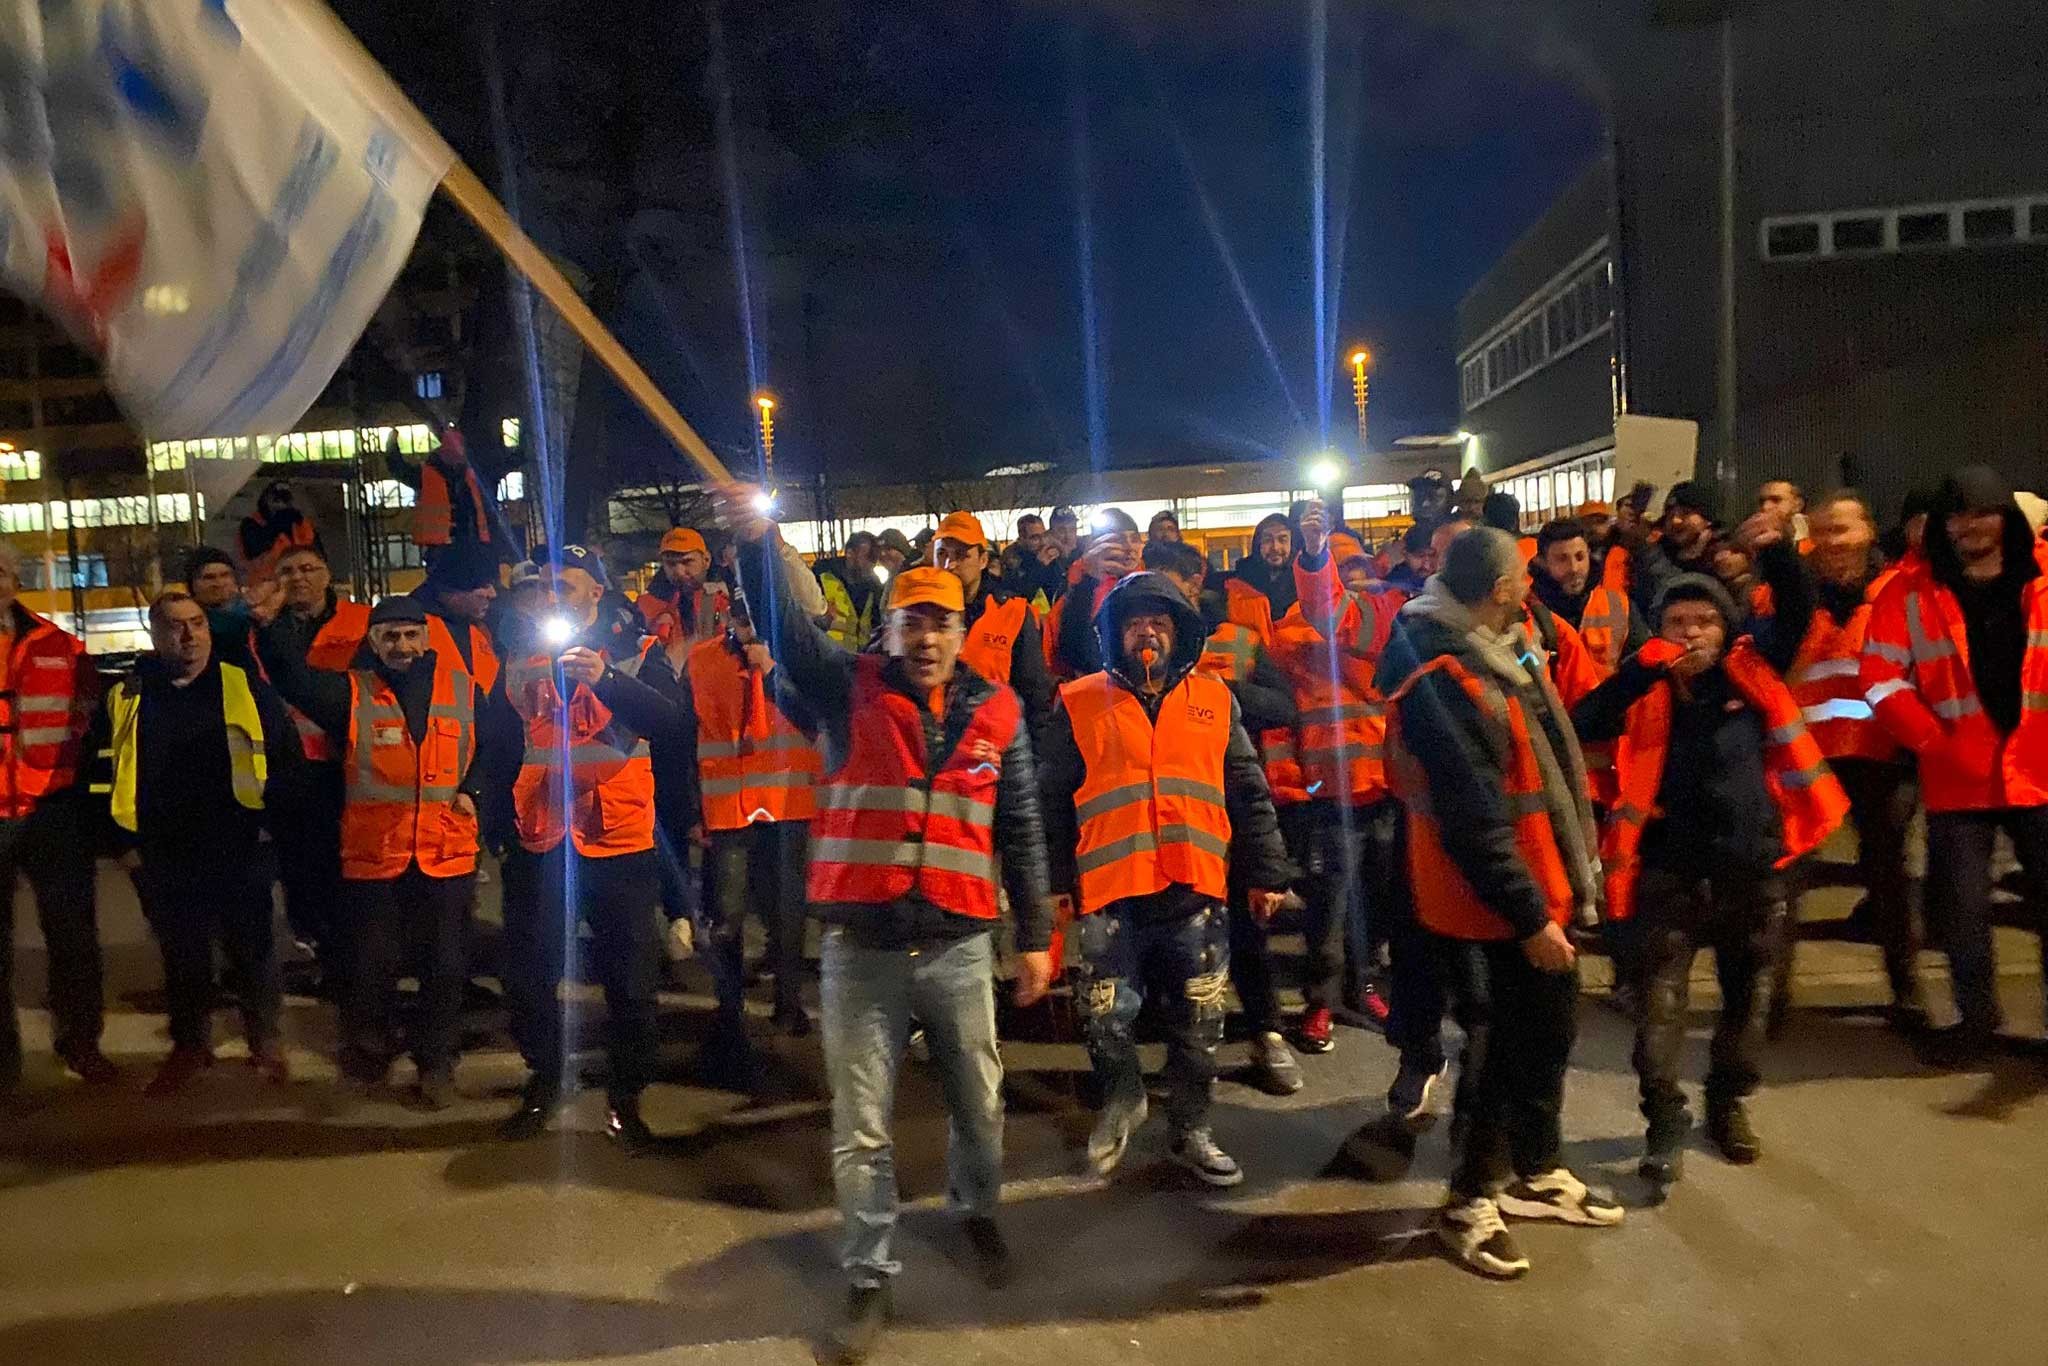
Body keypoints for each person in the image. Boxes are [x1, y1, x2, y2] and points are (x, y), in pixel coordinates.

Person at [721, 486, 1054, 1362]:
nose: (928, 638)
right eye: (912, 621)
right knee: (861, 1124)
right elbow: (792, 634)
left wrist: (1038, 935)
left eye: (941, 622)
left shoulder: (1000, 712)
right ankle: (869, 1274)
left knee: (980, 1108)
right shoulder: (845, 688)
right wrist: (763, 545)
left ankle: (973, 1210)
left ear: (961, 625)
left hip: (959, 944)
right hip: (861, 948)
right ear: (891, 627)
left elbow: (1019, 826)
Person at [1378, 528, 1621, 1280]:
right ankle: (1469, 1200)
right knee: (1495, 1046)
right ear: (1498, 587)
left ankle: (1535, 1168)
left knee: (1546, 1029)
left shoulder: (1506, 644)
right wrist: (1530, 918)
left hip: (1531, 884)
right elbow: (1475, 816)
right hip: (1480, 901)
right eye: (1521, 574)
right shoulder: (1442, 677)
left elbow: (1551, 749)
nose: (1531, 583)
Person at [1573, 541, 1842, 1189]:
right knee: (1658, 1009)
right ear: (1658, 631)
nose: (1691, 633)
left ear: (1728, 631)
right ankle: (1664, 1116)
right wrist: (1639, 670)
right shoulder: (1644, 686)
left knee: (1746, 1001)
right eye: (1677, 622)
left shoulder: (1752, 675)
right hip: (1670, 876)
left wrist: (1776, 548)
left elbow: (1802, 610)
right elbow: (1584, 720)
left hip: (1753, 873)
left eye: (1705, 621)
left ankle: (1728, 1103)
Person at [1040, 570, 1292, 1187]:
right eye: (1133, 623)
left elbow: (1248, 789)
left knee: (1200, 1023)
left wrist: (1267, 870)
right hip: (1109, 893)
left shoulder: (1214, 699)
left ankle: (1192, 1129)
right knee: (1104, 1016)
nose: (1146, 632)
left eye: (1159, 622)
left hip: (1195, 890)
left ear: (1179, 633)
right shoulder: (1078, 701)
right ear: (1113, 635)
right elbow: (1047, 801)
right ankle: (1123, 1097)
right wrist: (1050, 883)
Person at [257, 596, 491, 1109]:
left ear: (427, 638)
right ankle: (368, 1054)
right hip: (376, 855)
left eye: (410, 635)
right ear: (373, 642)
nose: (402, 646)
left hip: (444, 851)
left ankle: (435, 1064)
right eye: (390, 637)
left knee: (444, 967)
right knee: (369, 966)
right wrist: (270, 625)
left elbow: (497, 746)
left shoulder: (464, 690)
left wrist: (476, 791)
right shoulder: (350, 692)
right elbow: (291, 679)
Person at [491, 545, 685, 1148]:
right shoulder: (521, 659)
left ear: (596, 594)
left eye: (567, 588)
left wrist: (608, 680)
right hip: (543, 840)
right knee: (529, 974)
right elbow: (500, 745)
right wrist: (495, 821)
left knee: (630, 981)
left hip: (618, 842)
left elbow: (672, 726)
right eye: (545, 588)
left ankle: (626, 1096)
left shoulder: (638, 652)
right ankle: (545, 1079)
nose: (553, 599)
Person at [1862, 466, 2048, 1064]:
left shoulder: (2043, 579)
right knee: (1961, 912)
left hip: (2041, 771)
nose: (1970, 525)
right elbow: (1880, 678)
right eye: (1958, 515)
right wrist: (1932, 741)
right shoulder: (1906, 592)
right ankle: (1976, 1021)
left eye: (1983, 512)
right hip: (1957, 775)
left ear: (2006, 518)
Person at [88, 590, 300, 1096]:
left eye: (198, 624)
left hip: (240, 844)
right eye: (176, 626)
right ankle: (190, 1047)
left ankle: (264, 1042)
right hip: (163, 852)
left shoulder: (240, 684)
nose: (189, 636)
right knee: (183, 957)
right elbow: (99, 772)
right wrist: (120, 843)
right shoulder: (128, 694)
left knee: (253, 951)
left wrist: (274, 829)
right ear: (154, 634)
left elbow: (286, 757)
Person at [1138, 539, 1304, 1094]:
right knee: (1170, 942)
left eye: (1169, 582)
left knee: (1248, 929)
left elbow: (1284, 706)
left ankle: (1267, 1033)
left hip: (1229, 800)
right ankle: (1180, 1053)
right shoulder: (1136, 649)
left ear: (1194, 581)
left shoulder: (1238, 639)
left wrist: (1220, 694)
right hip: (1169, 818)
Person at [1268, 503, 1404, 1052]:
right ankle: (1320, 1002)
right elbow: (1283, 717)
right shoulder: (1290, 634)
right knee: (1328, 905)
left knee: (1376, 899)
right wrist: (1297, 787)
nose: (1351, 585)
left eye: (1356, 573)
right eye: (1338, 574)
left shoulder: (1385, 623)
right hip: (1328, 796)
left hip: (1385, 791)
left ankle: (1362, 986)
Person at [1787, 492, 1920, 1026]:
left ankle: (1906, 990)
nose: (1834, 542)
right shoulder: (1789, 598)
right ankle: (1768, 1000)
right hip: (1808, 758)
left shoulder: (1899, 593)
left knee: (1888, 878)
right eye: (1824, 532)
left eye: (1843, 530)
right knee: (1787, 880)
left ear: (1868, 531)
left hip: (1881, 759)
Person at [684, 597, 821, 1064]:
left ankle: (788, 1004)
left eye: (754, 616)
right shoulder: (701, 661)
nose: (746, 626)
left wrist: (775, 671)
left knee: (787, 913)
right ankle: (730, 1012)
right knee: (727, 915)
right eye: (740, 617)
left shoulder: (800, 663)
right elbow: (684, 735)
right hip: (729, 807)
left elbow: (822, 718)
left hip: (787, 804)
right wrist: (690, 811)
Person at [0, 541, 112, 1091]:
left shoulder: (63, 647)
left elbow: (90, 727)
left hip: (52, 809)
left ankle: (82, 1041)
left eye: (0, 570)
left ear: (15, 579)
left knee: (73, 936)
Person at [253, 543, 369, 983]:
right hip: (285, 767)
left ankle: (348, 962)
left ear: (327, 575)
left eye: (309, 568)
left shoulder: (359, 621)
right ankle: (323, 951)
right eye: (288, 570)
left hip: (344, 764)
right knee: (299, 871)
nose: (299, 577)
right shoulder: (262, 625)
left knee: (345, 871)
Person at [930, 511, 1055, 742]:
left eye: (961, 555)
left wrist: (1039, 763)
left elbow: (1035, 697)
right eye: (942, 554)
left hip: (993, 753)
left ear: (983, 560)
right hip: (933, 751)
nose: (949, 564)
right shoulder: (919, 613)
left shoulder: (1014, 613)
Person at [1531, 518, 1648, 671]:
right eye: (1562, 559)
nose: (1574, 568)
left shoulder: (1619, 606)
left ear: (1589, 554)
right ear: (1542, 562)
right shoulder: (1527, 612)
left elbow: (1643, 666)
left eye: (1580, 557)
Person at [406, 539, 503, 695]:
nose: (492, 594)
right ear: (453, 590)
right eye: (484, 586)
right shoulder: (410, 630)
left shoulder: (477, 628)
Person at [398, 427, 508, 558]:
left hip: (457, 544)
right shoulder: (469, 475)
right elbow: (401, 470)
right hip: (450, 546)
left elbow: (401, 470)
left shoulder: (467, 475)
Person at [638, 527, 732, 648]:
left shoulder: (730, 598)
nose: (679, 571)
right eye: (671, 564)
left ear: (706, 560)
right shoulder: (647, 607)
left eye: (687, 562)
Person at [1225, 513, 1299, 642]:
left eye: (1282, 540)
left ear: (1292, 545)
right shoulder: (1237, 586)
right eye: (1267, 540)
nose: (1275, 547)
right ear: (1257, 545)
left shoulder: (1305, 585)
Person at [236, 481, 321, 586]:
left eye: (284, 500)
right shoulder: (251, 525)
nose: (280, 504)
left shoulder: (301, 523)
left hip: (300, 584)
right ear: (265, 501)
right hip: (265, 587)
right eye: (276, 500)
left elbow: (318, 557)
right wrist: (276, 526)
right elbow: (254, 553)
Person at [185, 545, 254, 670]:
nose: (218, 583)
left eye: (225, 575)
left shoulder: (256, 620)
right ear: (192, 585)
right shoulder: (188, 628)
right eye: (209, 578)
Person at [815, 531, 884, 647]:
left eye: (874, 558)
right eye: (868, 557)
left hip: (860, 659)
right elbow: (805, 617)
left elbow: (877, 624)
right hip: (828, 658)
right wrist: (822, 620)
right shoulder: (820, 576)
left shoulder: (874, 586)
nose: (872, 564)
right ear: (850, 553)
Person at [1383, 522, 1433, 597]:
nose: (1427, 565)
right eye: (1420, 556)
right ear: (1405, 553)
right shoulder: (1395, 584)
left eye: (1432, 556)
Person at [1758, 479, 1811, 550]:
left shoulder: (1817, 536)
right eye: (1761, 502)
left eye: (1776, 500)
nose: (1765, 507)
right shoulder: (1750, 539)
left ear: (1797, 505)